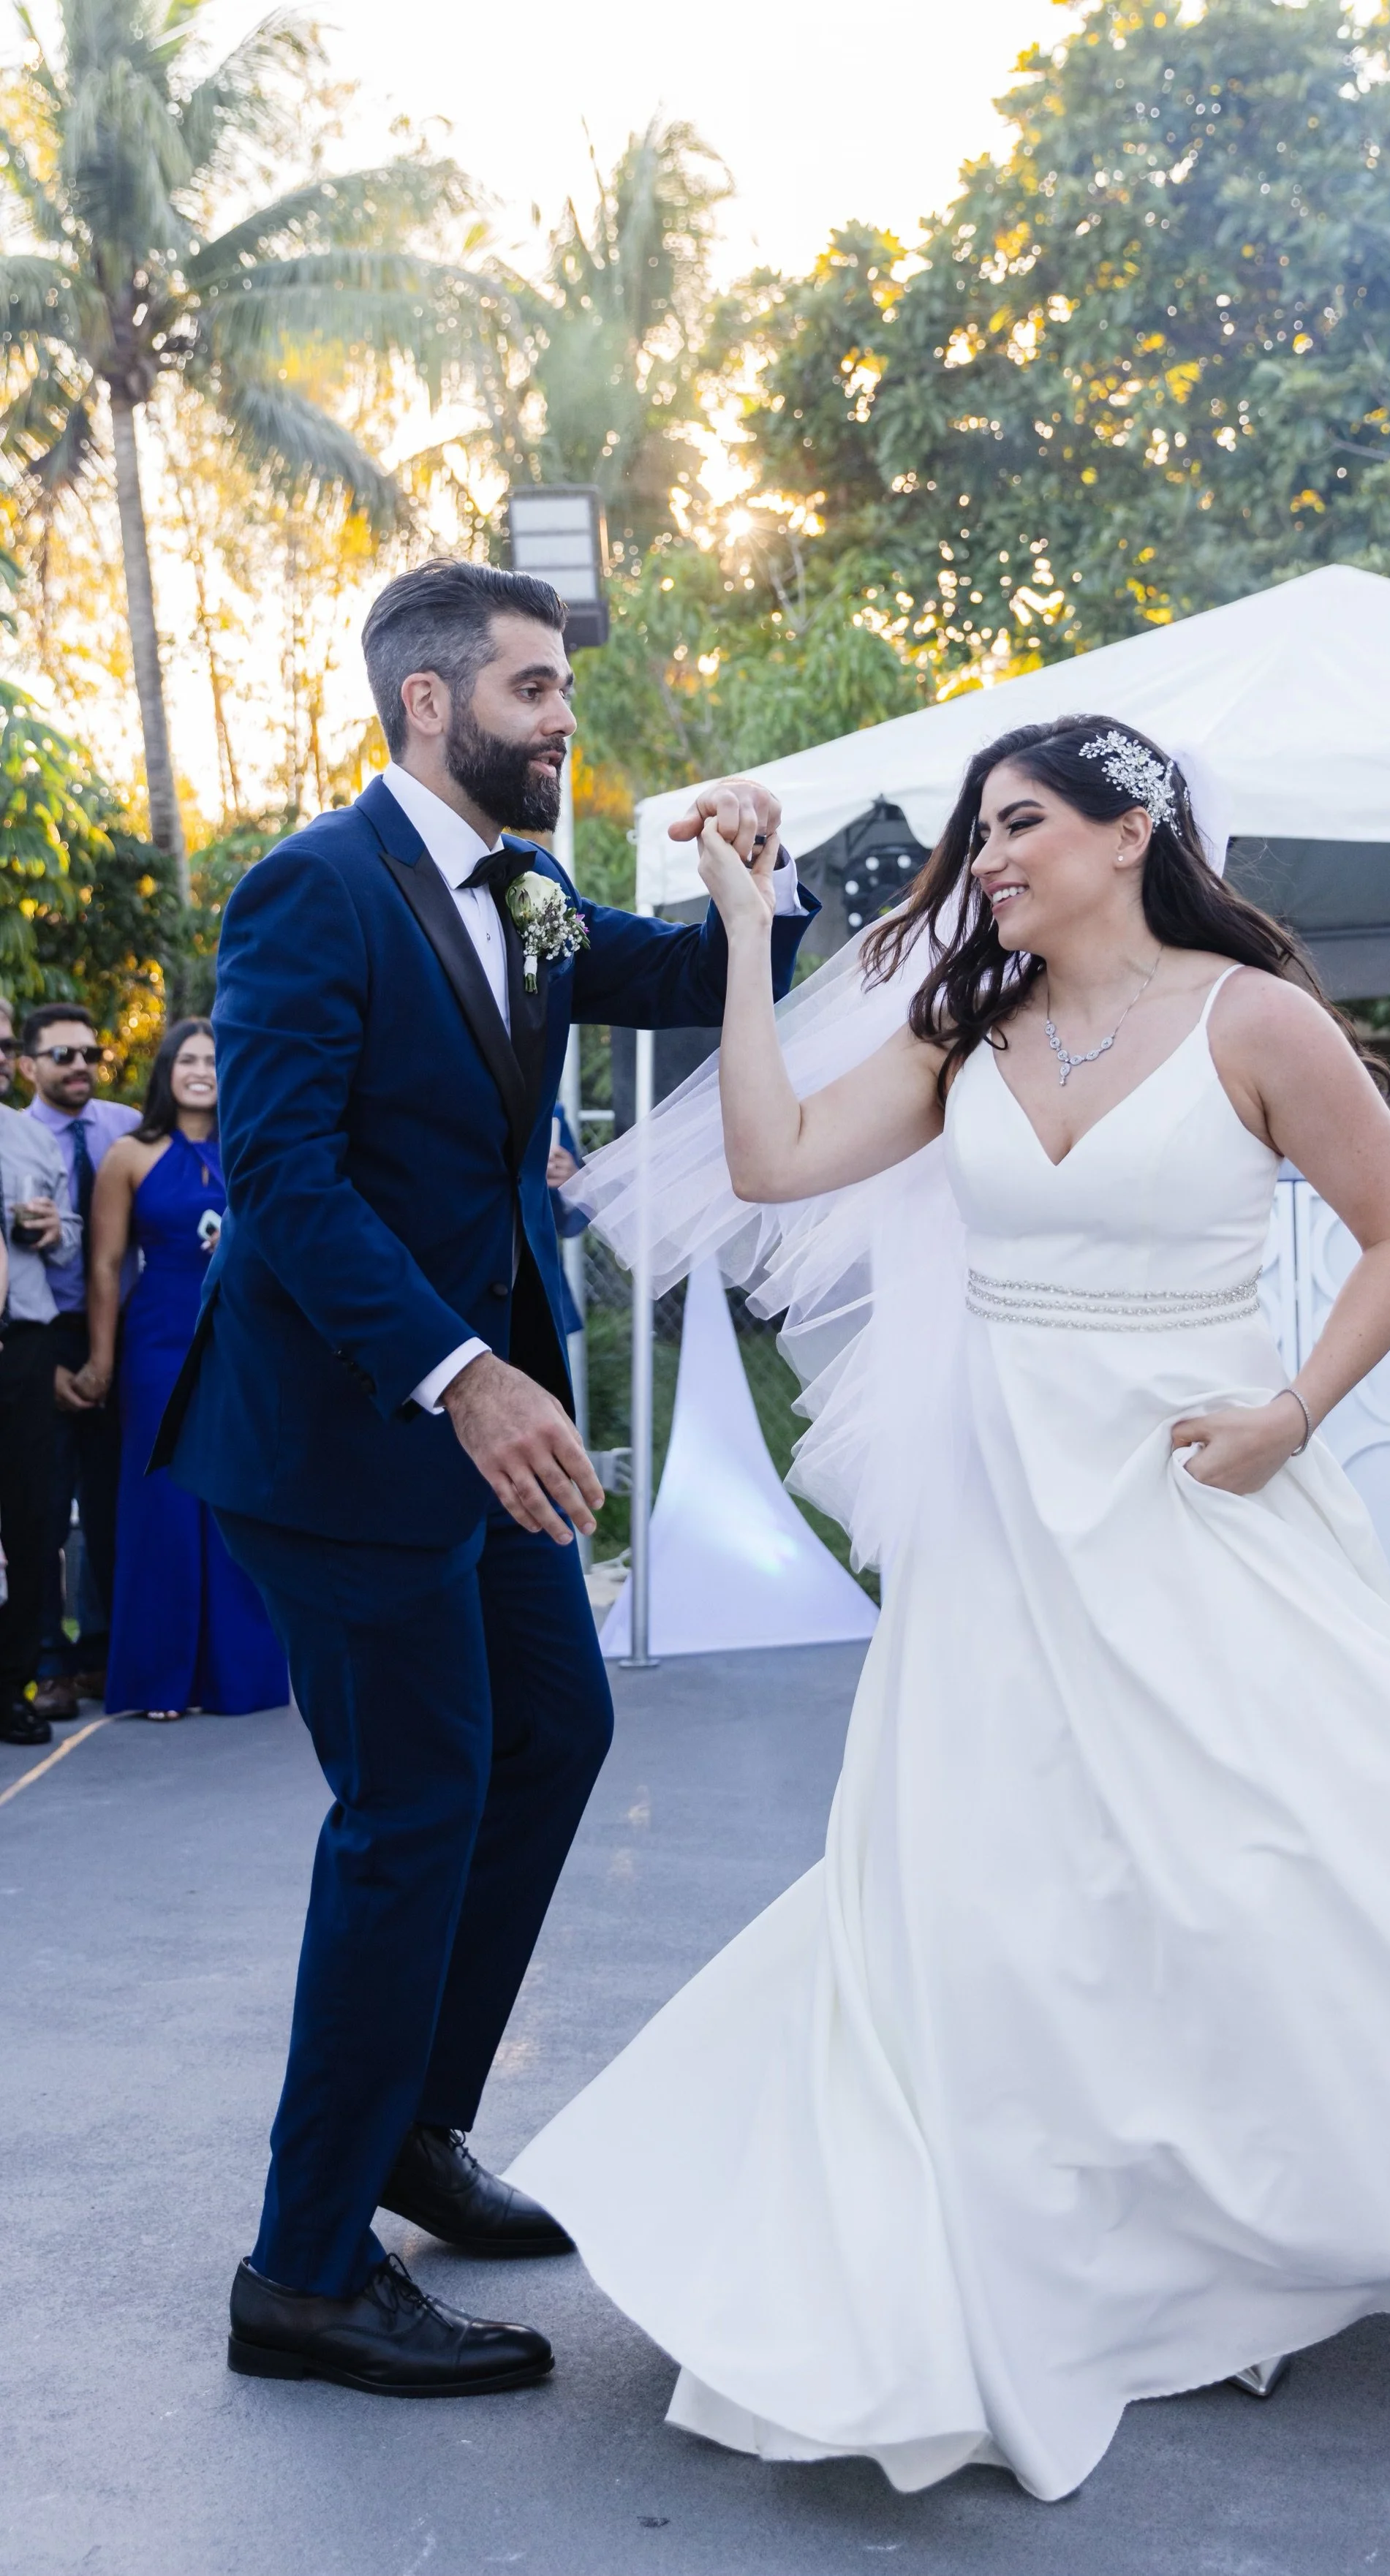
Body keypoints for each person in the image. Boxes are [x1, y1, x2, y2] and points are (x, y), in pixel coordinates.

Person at [512, 715, 1390, 2502]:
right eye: (976, 828)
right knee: (1004, 1888)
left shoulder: (1255, 1020)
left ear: (1124, 826)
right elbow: (765, 1162)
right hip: (1002, 1520)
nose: (984, 855)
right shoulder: (963, 1029)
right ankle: (1096, 2242)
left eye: (1014, 823)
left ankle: (1354, 2196)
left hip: (1199, 1488)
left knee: (1277, 1859)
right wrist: (748, 933)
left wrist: (1289, 1409)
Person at [153, 559, 817, 2398]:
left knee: (553, 1731)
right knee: (414, 1802)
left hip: (471, 1417)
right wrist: (464, 1377)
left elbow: (672, 970)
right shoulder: (312, 890)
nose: (562, 720)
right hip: (343, 1437)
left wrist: (768, 882)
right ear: (432, 704)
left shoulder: (519, 892)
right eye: (535, 690)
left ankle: (413, 2131)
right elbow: (282, 1183)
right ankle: (301, 2268)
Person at [70, 1019, 287, 1723]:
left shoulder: (255, 1144)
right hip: (158, 1340)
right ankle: (160, 1681)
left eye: (214, 1060)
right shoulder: (130, 1155)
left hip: (244, 1341)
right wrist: (101, 1360)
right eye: (188, 1059)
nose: (201, 1070)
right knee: (161, 1504)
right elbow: (104, 1266)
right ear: (166, 1070)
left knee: (237, 1498)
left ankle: (242, 1676)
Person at [18, 1000, 140, 1715]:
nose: (80, 1067)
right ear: (29, 1065)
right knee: (39, 1510)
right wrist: (54, 1363)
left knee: (111, 1503)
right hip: (40, 1334)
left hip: (128, 1332)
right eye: (64, 1055)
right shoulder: (12, 1140)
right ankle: (49, 1661)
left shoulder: (125, 1127)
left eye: (90, 1055)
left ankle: (103, 1652)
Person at [0, 995, 83, 1745]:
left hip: (21, 1347)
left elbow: (68, 1248)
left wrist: (58, 1233)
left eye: (1, 1044)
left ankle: (10, 1686)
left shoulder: (29, 1140)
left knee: (32, 1522)